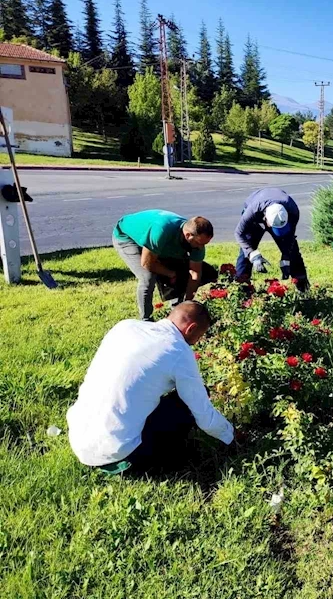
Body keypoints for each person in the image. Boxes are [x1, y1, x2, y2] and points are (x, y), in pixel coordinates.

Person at [66, 301, 234, 475]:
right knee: (186, 405)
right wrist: (231, 435)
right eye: (199, 336)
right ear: (191, 328)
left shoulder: (125, 327)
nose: (197, 342)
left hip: (80, 440)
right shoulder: (178, 351)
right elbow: (204, 415)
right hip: (121, 456)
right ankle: (169, 458)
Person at [112, 209, 218, 320]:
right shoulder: (162, 231)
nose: (201, 248)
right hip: (127, 237)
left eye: (205, 244)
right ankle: (146, 320)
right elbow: (147, 263)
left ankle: (175, 313)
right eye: (199, 243)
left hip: (158, 242)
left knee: (181, 271)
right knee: (148, 277)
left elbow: (195, 273)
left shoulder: (197, 241)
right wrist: (170, 273)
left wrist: (187, 304)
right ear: (188, 235)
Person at [234, 187, 309, 290]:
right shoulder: (253, 211)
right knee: (246, 251)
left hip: (276, 208)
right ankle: (241, 286)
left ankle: (303, 288)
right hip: (256, 213)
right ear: (267, 221)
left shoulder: (293, 212)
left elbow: (290, 237)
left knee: (293, 252)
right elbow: (239, 233)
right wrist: (252, 253)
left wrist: (286, 258)